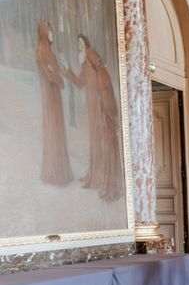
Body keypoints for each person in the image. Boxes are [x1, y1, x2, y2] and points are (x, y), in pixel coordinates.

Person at [64, 34, 123, 201]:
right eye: (78, 43)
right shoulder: (85, 64)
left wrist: (102, 99)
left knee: (102, 139)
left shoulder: (91, 55)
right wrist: (67, 70)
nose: (79, 45)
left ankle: (104, 177)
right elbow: (79, 82)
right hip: (93, 109)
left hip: (99, 107)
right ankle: (96, 175)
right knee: (96, 140)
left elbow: (100, 75)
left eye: (81, 42)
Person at [35, 21, 73, 186]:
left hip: (53, 94)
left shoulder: (47, 49)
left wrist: (62, 73)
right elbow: (49, 73)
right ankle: (54, 172)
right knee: (53, 129)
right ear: (44, 31)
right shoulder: (42, 49)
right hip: (50, 95)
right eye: (50, 30)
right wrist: (61, 80)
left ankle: (60, 171)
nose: (52, 33)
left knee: (56, 129)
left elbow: (54, 69)